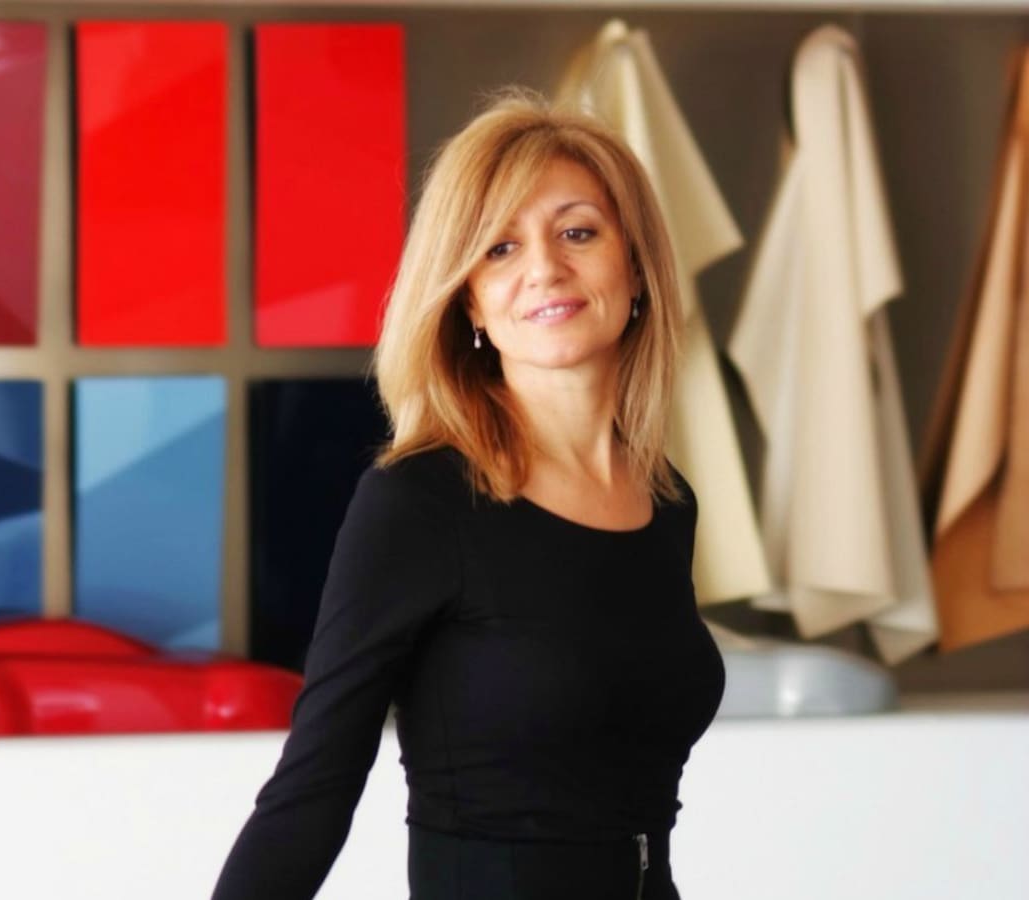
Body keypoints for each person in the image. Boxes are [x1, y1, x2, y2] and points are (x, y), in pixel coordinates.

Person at [211, 90, 725, 900]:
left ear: (636, 268)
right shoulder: (420, 503)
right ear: (469, 302)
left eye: (578, 232)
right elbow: (313, 788)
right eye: (499, 248)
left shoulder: (666, 503)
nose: (544, 268)